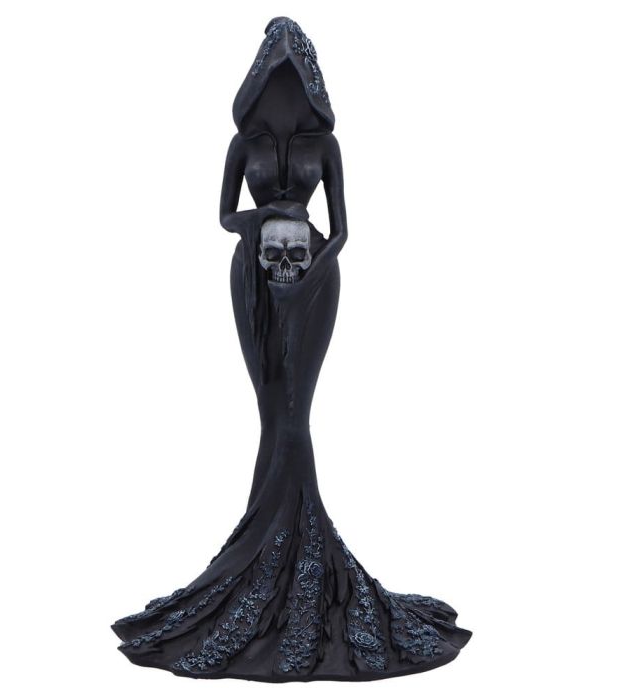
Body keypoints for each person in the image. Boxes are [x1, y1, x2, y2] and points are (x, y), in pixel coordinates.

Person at [112, 17, 471, 681]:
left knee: (296, 414)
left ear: (309, 84)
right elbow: (224, 215)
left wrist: (308, 269)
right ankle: (258, 547)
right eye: (273, 76)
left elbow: (344, 229)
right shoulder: (241, 144)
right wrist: (263, 226)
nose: (284, 85)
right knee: (270, 410)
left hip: (316, 275)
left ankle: (288, 548)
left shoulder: (324, 146)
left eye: (294, 76)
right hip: (252, 273)